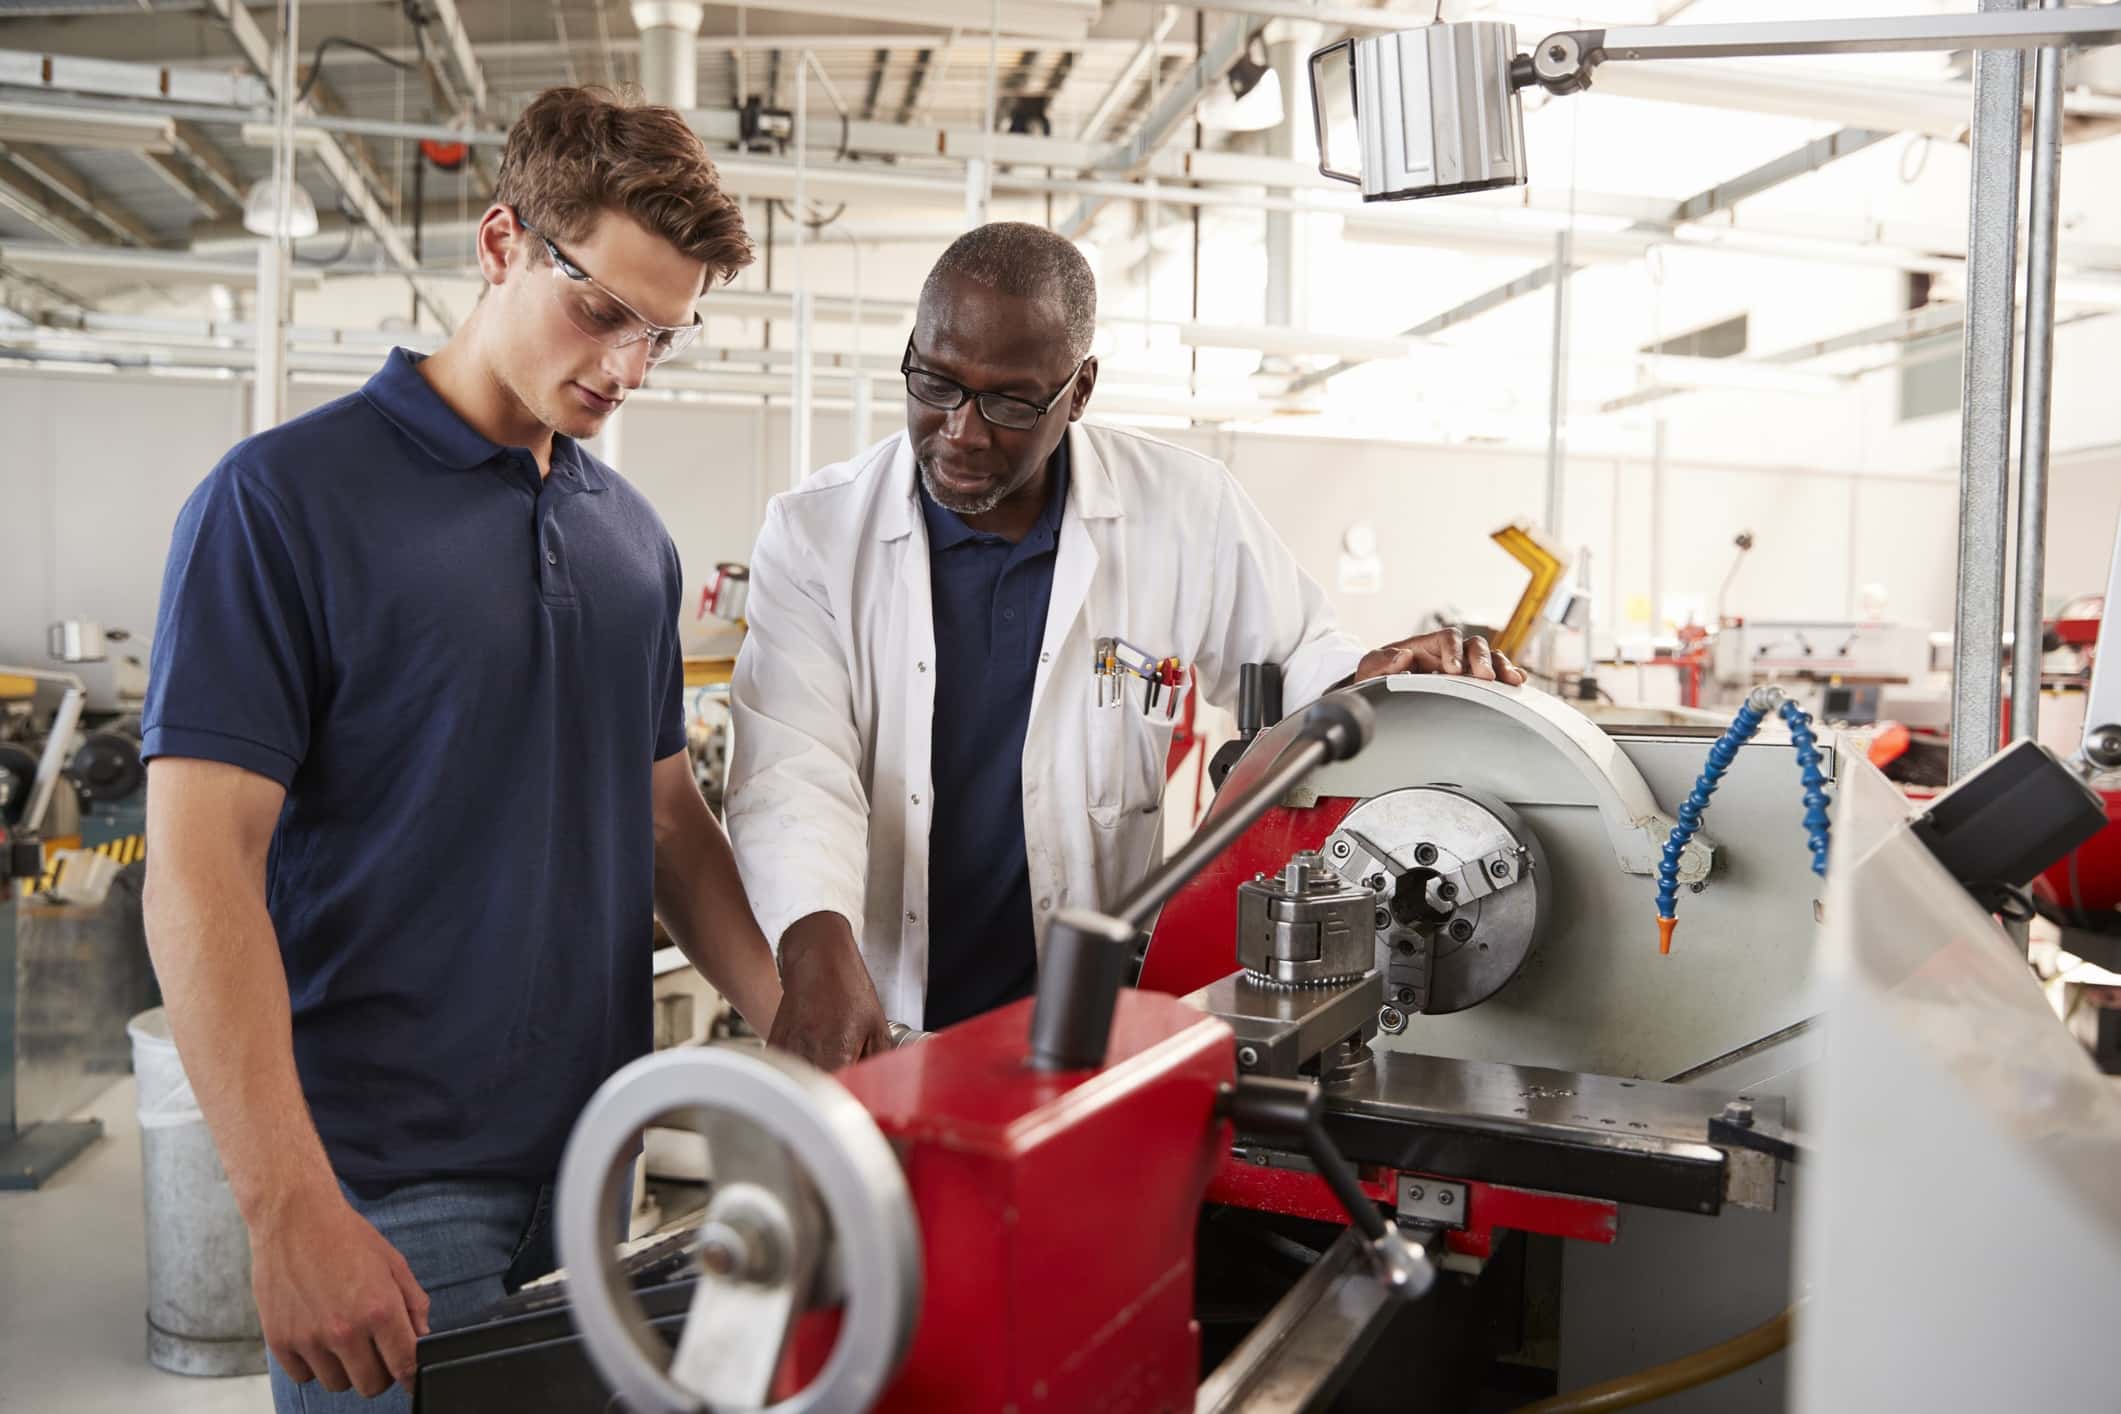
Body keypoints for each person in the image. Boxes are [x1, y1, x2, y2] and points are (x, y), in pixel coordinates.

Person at [139, 88, 781, 1412]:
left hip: (594, 1169)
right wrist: (283, 1207)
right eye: (600, 310)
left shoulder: (633, 545)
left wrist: (804, 1026)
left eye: (661, 335)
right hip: (381, 1188)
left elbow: (667, 821)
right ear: (500, 243)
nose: (624, 367)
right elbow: (199, 869)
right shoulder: (280, 505)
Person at [728, 221, 1523, 1071]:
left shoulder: (1182, 511)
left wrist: (1376, 680)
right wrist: (813, 950)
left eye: (1009, 401)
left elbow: (1300, 667)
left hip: (1095, 1024)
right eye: (936, 382)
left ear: (1078, 390)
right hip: (880, 1005)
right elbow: (792, 764)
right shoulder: (817, 533)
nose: (961, 430)